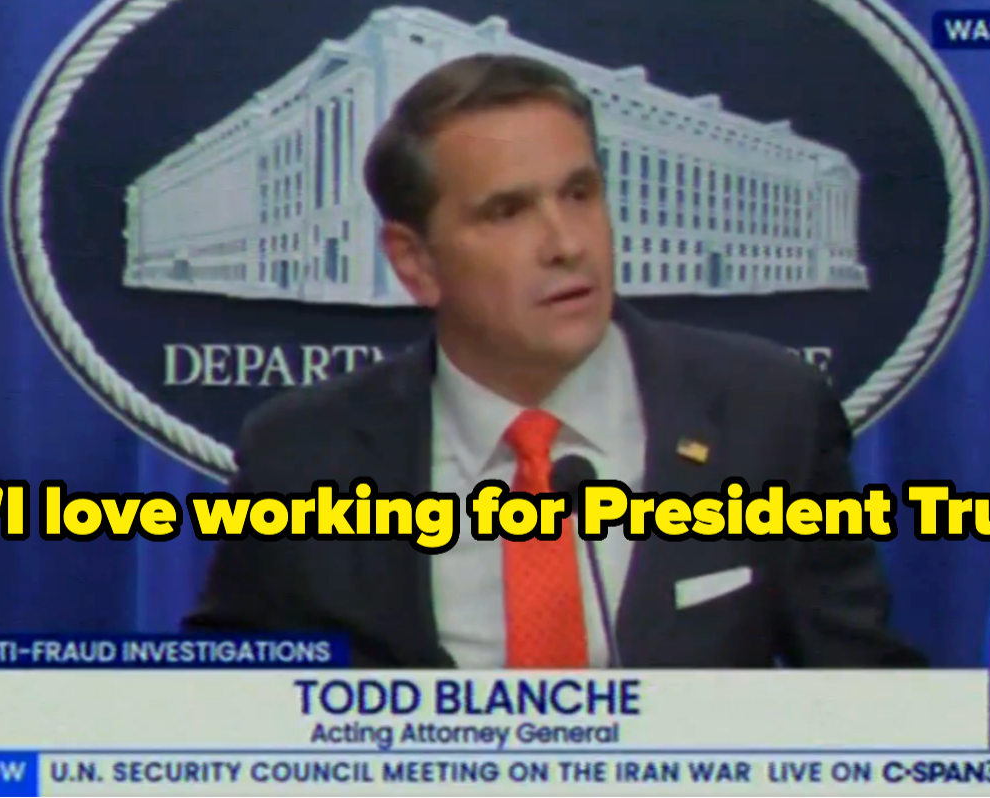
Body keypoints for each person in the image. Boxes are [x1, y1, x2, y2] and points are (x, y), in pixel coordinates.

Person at [182, 53, 926, 670]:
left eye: (580, 194)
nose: (566, 242)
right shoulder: (301, 454)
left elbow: (865, 693)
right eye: (507, 212)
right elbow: (226, 709)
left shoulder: (767, 412)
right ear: (415, 262)